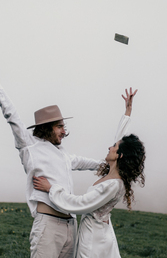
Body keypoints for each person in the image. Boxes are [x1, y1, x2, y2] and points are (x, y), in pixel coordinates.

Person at [0, 56, 100, 258]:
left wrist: (110, 164)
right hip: (48, 226)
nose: (64, 131)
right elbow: (11, 115)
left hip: (71, 226)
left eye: (63, 127)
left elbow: (85, 162)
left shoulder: (63, 154)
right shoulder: (29, 146)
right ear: (47, 128)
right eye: (60, 127)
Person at [33, 88, 145, 258]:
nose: (109, 147)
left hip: (94, 239)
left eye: (113, 147)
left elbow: (80, 203)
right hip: (100, 233)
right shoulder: (116, 174)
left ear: (119, 155)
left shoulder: (113, 184)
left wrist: (51, 188)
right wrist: (127, 112)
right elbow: (119, 142)